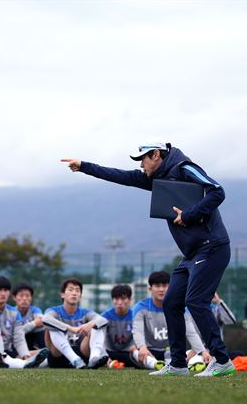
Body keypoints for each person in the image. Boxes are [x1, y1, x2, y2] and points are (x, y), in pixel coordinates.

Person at [62, 142, 233, 377]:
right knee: (172, 301)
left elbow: (217, 191)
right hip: (192, 254)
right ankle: (179, 364)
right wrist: (84, 167)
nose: (141, 166)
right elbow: (120, 176)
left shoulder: (185, 167)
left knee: (196, 301)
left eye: (143, 160)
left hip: (212, 247)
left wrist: (190, 215)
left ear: (156, 155)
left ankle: (222, 360)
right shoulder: (154, 179)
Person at [132, 271, 209, 374]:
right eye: (157, 286)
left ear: (171, 287)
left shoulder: (179, 307)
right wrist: (142, 347)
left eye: (165, 285)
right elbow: (138, 331)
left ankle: (187, 363)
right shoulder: (140, 307)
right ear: (150, 289)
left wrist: (203, 351)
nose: (161, 289)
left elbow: (191, 332)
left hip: (173, 351)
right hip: (151, 351)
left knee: (196, 352)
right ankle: (156, 364)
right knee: (135, 351)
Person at [0, 276, 49, 369]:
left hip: (8, 350)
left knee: (44, 360)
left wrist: (26, 356)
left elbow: (19, 338)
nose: (3, 294)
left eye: (6, 290)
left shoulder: (14, 313)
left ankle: (28, 361)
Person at [43, 278, 105, 369]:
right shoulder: (54, 311)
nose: (74, 293)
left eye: (77, 290)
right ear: (62, 294)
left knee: (97, 325)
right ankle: (74, 359)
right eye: (70, 289)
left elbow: (103, 320)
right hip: (58, 356)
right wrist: (70, 328)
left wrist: (90, 324)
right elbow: (45, 319)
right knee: (51, 327)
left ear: (80, 296)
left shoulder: (85, 312)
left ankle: (94, 358)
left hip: (82, 355)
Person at [88, 284, 136, 368]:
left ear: (130, 300)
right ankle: (96, 358)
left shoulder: (135, 316)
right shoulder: (106, 315)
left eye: (123, 298)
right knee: (96, 328)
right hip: (110, 353)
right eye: (116, 299)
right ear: (112, 300)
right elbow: (94, 327)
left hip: (129, 354)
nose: (119, 302)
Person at [12, 282, 46, 350]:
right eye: (21, 296)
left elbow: (40, 321)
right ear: (14, 298)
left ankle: (42, 351)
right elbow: (16, 334)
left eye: (27, 296)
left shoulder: (35, 310)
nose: (24, 299)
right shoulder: (11, 312)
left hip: (32, 341)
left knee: (43, 328)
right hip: (17, 343)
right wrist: (34, 323)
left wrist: (32, 325)